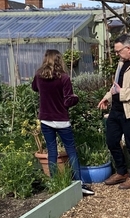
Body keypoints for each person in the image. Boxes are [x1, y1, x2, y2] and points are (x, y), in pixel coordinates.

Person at [32, 49, 95, 196]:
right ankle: (78, 183)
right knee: (71, 151)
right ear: (59, 60)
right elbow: (68, 100)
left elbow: (34, 88)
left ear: (46, 59)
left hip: (46, 119)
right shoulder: (64, 78)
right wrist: (76, 98)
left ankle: (55, 183)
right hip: (61, 119)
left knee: (52, 151)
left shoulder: (39, 75)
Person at [97, 34, 130, 190]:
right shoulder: (122, 62)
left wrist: (122, 93)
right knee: (111, 140)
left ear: (129, 48)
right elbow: (116, 86)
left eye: (118, 51)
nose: (117, 54)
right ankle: (121, 171)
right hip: (117, 109)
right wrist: (108, 97)